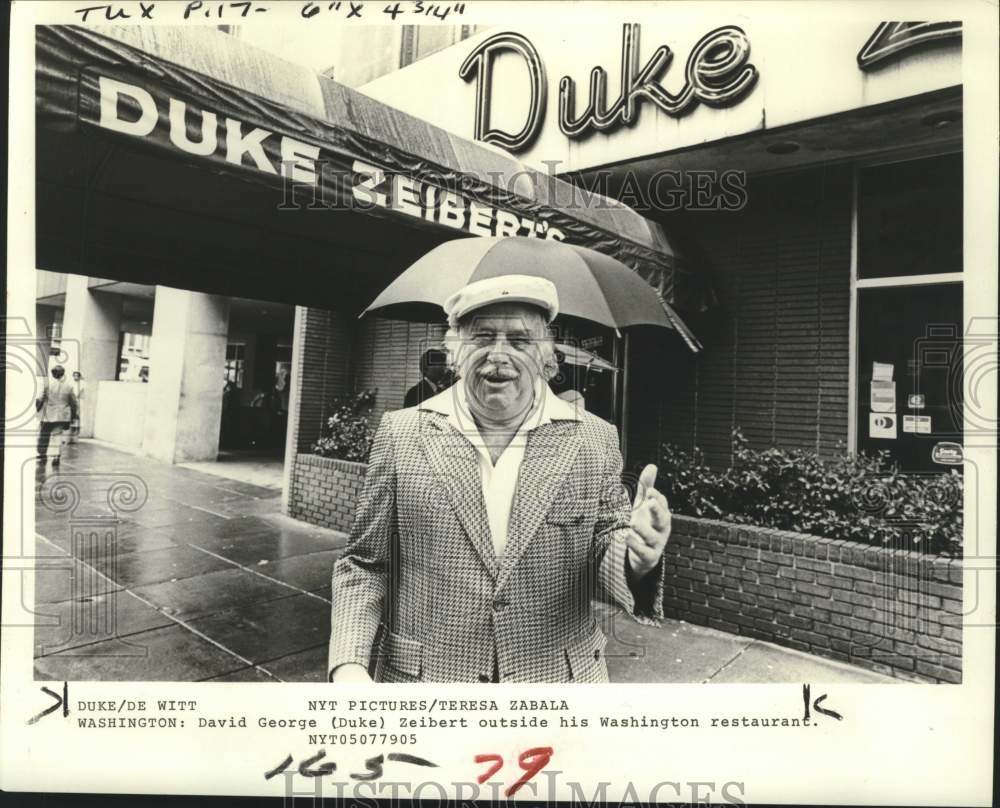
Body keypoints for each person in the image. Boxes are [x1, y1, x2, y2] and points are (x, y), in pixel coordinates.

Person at [328, 275, 672, 683]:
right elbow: (365, 563)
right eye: (483, 337)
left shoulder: (593, 437)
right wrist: (348, 664)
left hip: (557, 688)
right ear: (455, 352)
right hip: (426, 688)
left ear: (546, 356)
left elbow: (603, 544)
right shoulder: (402, 433)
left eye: (520, 341)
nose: (499, 354)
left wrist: (636, 559)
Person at [36, 364, 78, 468]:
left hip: (48, 415)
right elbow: (74, 403)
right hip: (62, 415)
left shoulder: (47, 385)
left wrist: (37, 409)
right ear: (62, 374)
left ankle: (42, 454)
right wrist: (73, 415)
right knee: (57, 435)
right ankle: (56, 456)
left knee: (44, 435)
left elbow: (40, 398)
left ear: (52, 374)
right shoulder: (69, 386)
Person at [68, 370, 84, 443]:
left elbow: (79, 395)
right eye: (74, 375)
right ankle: (69, 438)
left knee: (77, 419)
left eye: (77, 376)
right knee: (71, 419)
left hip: (78, 402)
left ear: (79, 377)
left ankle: (75, 438)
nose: (75, 377)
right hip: (71, 403)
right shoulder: (71, 384)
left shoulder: (82, 384)